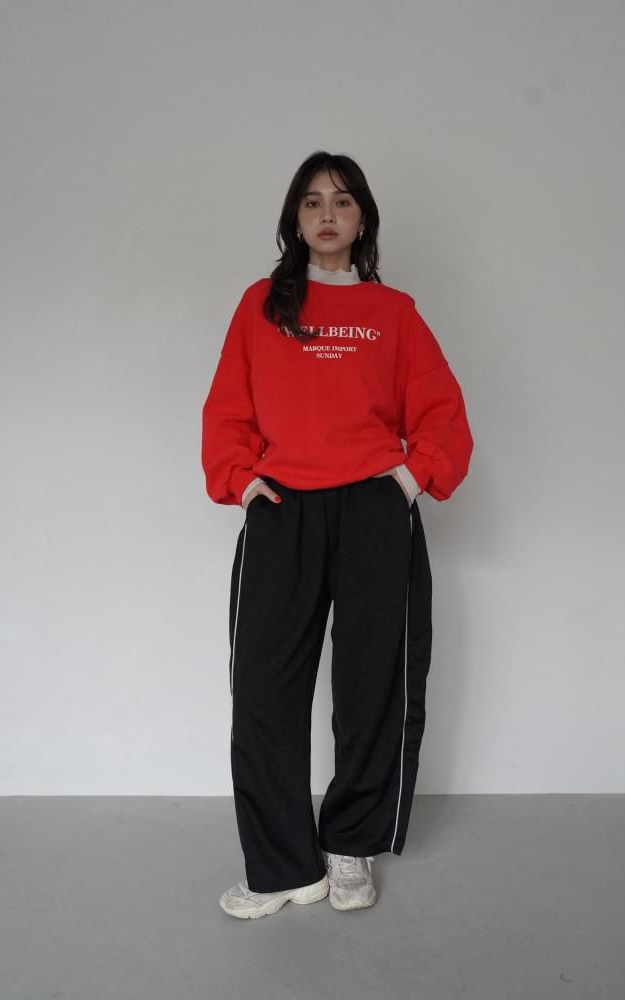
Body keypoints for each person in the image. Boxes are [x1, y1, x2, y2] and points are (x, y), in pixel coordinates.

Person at [201, 151, 474, 920]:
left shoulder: (395, 312)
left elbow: (442, 414)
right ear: (295, 218)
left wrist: (406, 483)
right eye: (313, 201)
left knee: (372, 686)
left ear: (363, 220)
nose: (327, 214)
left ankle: (351, 843)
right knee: (263, 689)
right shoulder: (262, 305)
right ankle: (283, 866)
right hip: (283, 509)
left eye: (343, 201)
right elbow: (227, 407)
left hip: (372, 511)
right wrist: (242, 482)